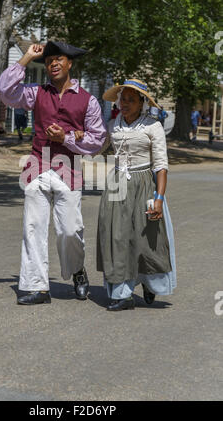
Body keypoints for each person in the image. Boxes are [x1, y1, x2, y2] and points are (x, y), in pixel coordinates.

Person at [0, 41, 107, 305]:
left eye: (58, 60)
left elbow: (97, 140)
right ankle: (37, 287)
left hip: (69, 169)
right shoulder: (36, 92)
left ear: (69, 64)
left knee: (70, 230)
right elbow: (5, 92)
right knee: (33, 227)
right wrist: (26, 58)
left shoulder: (88, 100)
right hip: (37, 166)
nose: (53, 64)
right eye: (48, 61)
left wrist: (67, 138)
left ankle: (77, 270)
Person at [97, 79, 176, 311]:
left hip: (143, 183)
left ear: (142, 103)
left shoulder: (153, 126)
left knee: (145, 239)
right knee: (117, 237)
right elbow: (99, 148)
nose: (126, 103)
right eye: (123, 99)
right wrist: (80, 136)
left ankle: (150, 284)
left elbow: (161, 165)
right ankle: (123, 294)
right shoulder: (113, 125)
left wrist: (159, 199)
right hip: (117, 183)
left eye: (132, 100)